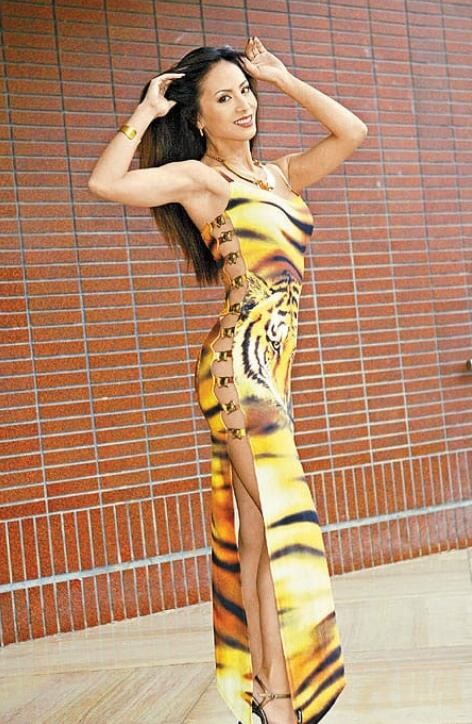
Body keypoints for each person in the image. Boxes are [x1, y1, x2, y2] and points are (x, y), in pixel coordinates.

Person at [88, 36, 368, 724]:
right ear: (199, 117)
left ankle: (264, 689)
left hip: (272, 370)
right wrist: (145, 114)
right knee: (282, 522)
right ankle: (280, 695)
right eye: (224, 96)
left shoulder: (280, 175)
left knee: (258, 533)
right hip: (237, 369)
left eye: (245, 91)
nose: (243, 104)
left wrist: (283, 77)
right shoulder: (202, 180)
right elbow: (106, 184)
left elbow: (352, 132)